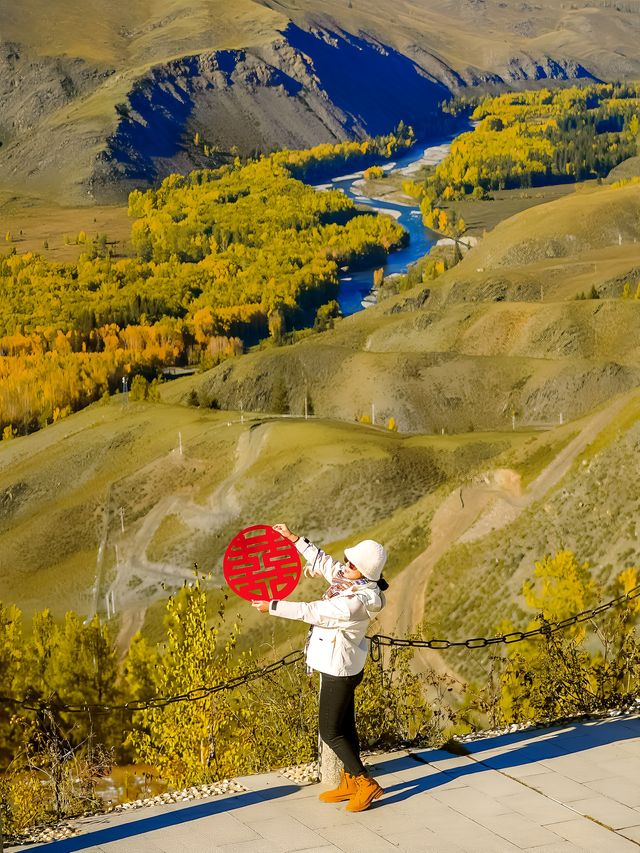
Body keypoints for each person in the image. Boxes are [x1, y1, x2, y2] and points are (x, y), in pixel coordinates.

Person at [252, 522, 389, 812]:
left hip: (339, 670)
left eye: (352, 563)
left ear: (364, 572)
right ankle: (351, 780)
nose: (346, 563)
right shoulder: (351, 581)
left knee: (330, 731)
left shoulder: (354, 603)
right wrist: (293, 539)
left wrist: (272, 606)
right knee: (346, 727)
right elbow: (325, 562)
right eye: (349, 559)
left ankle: (365, 783)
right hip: (344, 665)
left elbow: (311, 611)